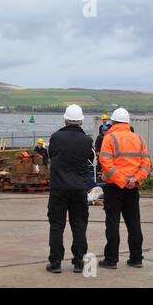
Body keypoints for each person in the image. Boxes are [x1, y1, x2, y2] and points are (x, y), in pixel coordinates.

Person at [99, 108, 151, 269]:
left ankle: (111, 259)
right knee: (134, 223)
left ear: (113, 122)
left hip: (114, 187)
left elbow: (106, 163)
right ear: (128, 122)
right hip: (132, 187)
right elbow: (146, 164)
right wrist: (135, 179)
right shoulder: (139, 139)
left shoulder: (109, 138)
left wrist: (122, 180)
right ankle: (136, 258)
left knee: (113, 223)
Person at [46, 104, 94, 274]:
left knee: (57, 225)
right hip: (79, 189)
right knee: (79, 225)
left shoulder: (55, 137)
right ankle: (80, 262)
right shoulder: (87, 140)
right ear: (81, 121)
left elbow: (51, 155)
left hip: (59, 188)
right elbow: (89, 159)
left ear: (65, 120)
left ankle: (56, 262)